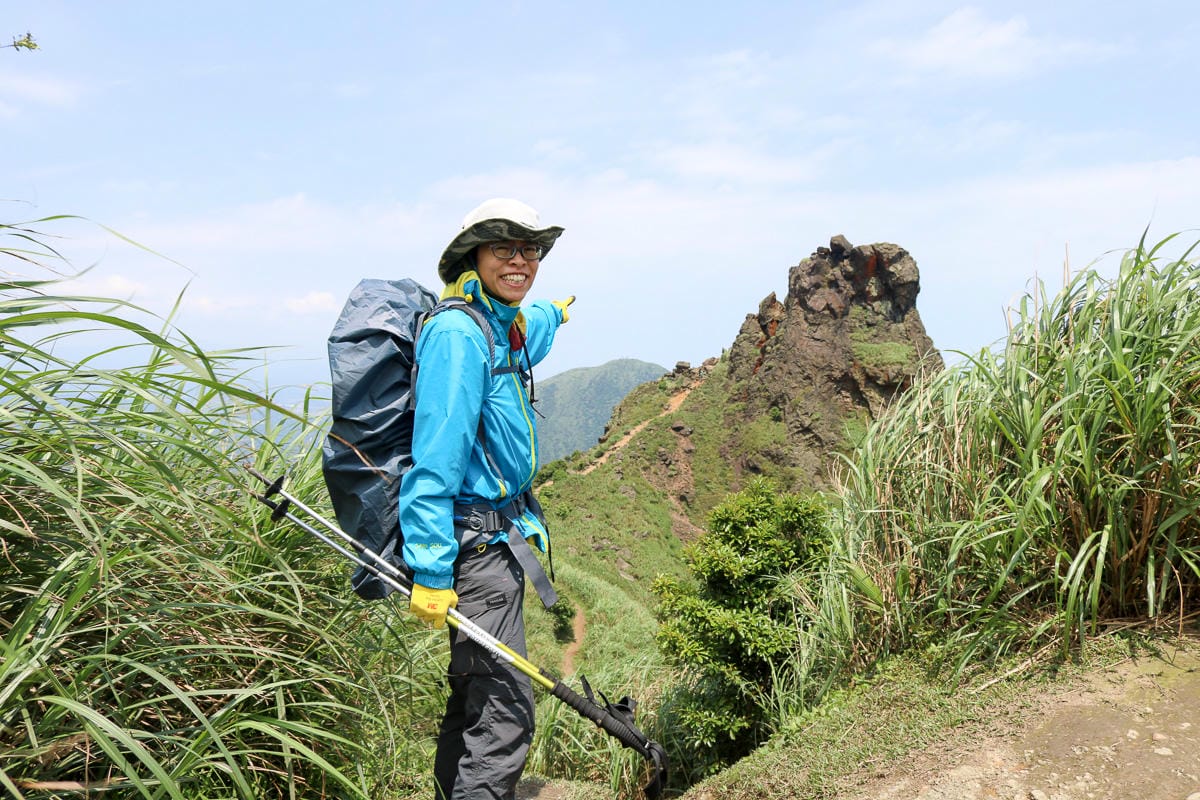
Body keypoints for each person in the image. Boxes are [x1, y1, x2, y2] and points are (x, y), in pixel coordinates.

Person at [398, 198, 574, 799]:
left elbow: (530, 330)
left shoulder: (501, 321)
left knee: (476, 696)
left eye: (530, 249)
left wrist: (554, 313)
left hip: (500, 539)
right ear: (473, 255)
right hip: (474, 550)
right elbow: (435, 458)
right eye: (504, 248)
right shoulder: (457, 334)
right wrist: (430, 566)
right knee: (506, 713)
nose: (520, 260)